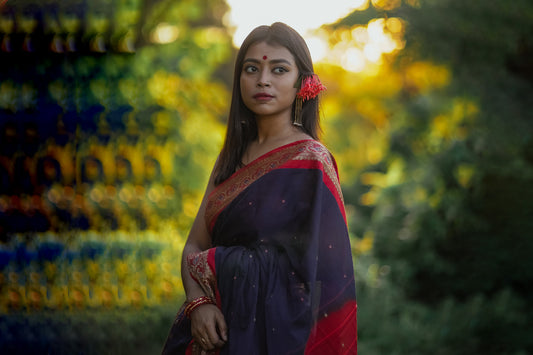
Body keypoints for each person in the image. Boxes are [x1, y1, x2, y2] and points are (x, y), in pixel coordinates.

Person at [162, 22, 357, 354]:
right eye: (252, 69)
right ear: (239, 80)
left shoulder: (312, 163)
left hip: (279, 340)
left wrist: (229, 266)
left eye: (278, 69)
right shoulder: (230, 158)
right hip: (213, 335)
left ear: (303, 84)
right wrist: (199, 303)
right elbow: (195, 244)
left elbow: (330, 276)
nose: (263, 80)